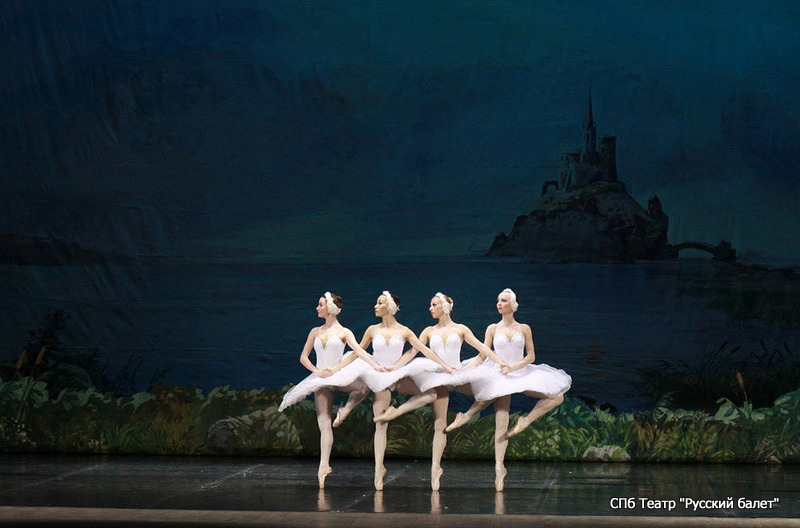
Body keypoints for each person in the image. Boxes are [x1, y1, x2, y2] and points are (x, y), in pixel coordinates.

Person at [372, 292, 510, 490]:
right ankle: (435, 469)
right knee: (440, 424)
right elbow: (415, 350)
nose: (430, 308)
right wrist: (396, 366)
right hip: (437, 376)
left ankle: (469, 418)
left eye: (434, 305)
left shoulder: (461, 329)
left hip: (455, 373)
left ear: (444, 307)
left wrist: (499, 362)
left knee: (492, 390)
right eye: (430, 305)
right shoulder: (428, 331)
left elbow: (482, 348)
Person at [445, 288, 571, 491]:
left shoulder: (524, 328)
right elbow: (483, 354)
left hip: (518, 371)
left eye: (503, 300)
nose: (499, 303)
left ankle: (523, 421)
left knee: (558, 397)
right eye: (498, 300)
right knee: (501, 421)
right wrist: (464, 368)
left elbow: (531, 356)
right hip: (497, 373)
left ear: (513, 305)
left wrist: (514, 367)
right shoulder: (493, 328)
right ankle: (499, 469)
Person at [278, 292, 386, 488]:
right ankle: (323, 466)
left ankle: (345, 410)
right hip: (321, 377)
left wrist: (375, 365)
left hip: (338, 374)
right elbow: (303, 357)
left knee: (363, 387)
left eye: (320, 305)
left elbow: (359, 351)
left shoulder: (344, 332)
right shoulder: (315, 331)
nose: (317, 308)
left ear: (330, 308)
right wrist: (317, 371)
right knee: (324, 424)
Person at [357, 291, 455, 491]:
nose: (375, 306)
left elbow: (421, 350)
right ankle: (378, 468)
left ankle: (398, 410)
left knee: (431, 394)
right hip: (379, 376)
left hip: (398, 374)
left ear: (390, 307)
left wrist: (445, 366)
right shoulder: (371, 329)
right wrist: (340, 368)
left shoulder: (404, 331)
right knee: (380, 423)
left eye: (380, 303)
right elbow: (358, 350)